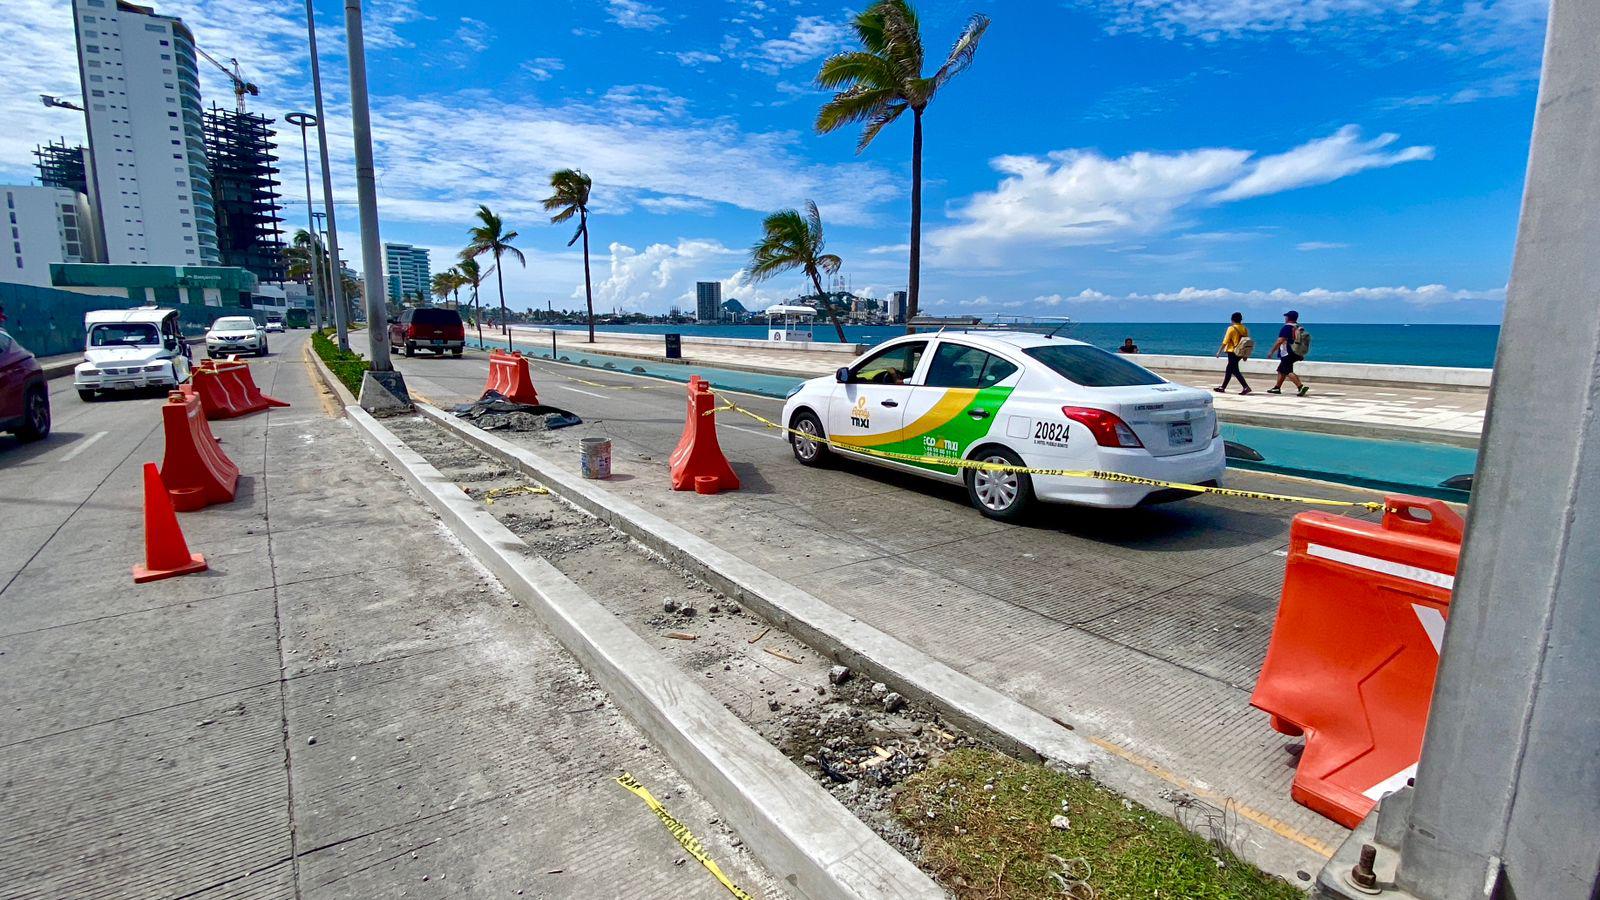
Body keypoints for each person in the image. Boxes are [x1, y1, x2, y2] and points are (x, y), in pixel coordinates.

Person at [1267, 310, 1310, 396]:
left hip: (1287, 353)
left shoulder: (1287, 327)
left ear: (1288, 318)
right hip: (1296, 352)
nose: (1285, 318)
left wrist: (1271, 352)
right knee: (1281, 370)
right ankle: (1277, 388)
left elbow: (1280, 341)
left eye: (1286, 317)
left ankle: (1300, 387)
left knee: (1288, 371)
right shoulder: (1299, 327)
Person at [1214, 312, 1252, 394]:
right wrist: (1246, 355)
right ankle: (1223, 387)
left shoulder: (1231, 328)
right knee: (1229, 369)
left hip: (1232, 352)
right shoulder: (1244, 328)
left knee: (1234, 370)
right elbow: (1246, 342)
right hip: (1240, 352)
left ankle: (1246, 387)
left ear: (1232, 319)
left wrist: (1219, 352)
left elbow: (1225, 341)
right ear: (1241, 320)